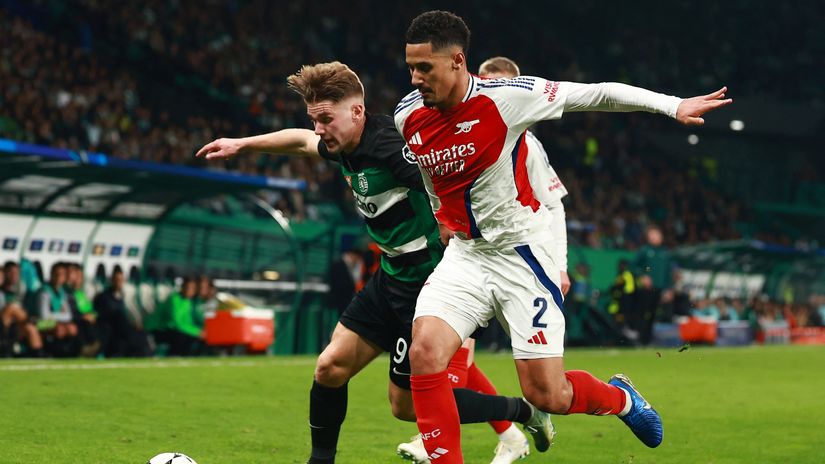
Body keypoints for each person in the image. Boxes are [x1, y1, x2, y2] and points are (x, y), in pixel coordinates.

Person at [394, 10, 731, 462]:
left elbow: (597, 94)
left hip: (522, 258)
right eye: (411, 68)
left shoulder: (508, 99)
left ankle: (622, 399)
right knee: (425, 353)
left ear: (457, 61)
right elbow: (432, 174)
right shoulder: (408, 115)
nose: (415, 79)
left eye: (425, 68)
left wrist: (672, 105)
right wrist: (441, 214)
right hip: (468, 257)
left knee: (548, 395)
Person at [196, 61, 550, 464]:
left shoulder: (392, 148)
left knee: (407, 407)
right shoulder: (341, 144)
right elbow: (299, 141)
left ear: (358, 112)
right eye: (315, 120)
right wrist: (243, 144)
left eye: (326, 119)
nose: (318, 130)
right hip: (390, 278)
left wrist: (453, 225)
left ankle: (522, 411)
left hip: (427, 289)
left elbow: (447, 182)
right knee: (329, 367)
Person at [397, 55, 574, 464]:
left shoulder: (526, 143)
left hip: (520, 260)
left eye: (500, 85)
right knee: (442, 350)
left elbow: (554, 206)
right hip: (470, 256)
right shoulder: (450, 122)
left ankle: (501, 427)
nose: (489, 90)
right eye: (485, 80)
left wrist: (559, 264)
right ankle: (489, 434)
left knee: (531, 383)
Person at [93, 267, 150, 357]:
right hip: (109, 329)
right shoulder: (103, 297)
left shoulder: (122, 297)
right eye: (116, 280)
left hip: (121, 329)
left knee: (140, 333)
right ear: (111, 280)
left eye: (120, 280)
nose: (118, 282)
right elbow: (101, 315)